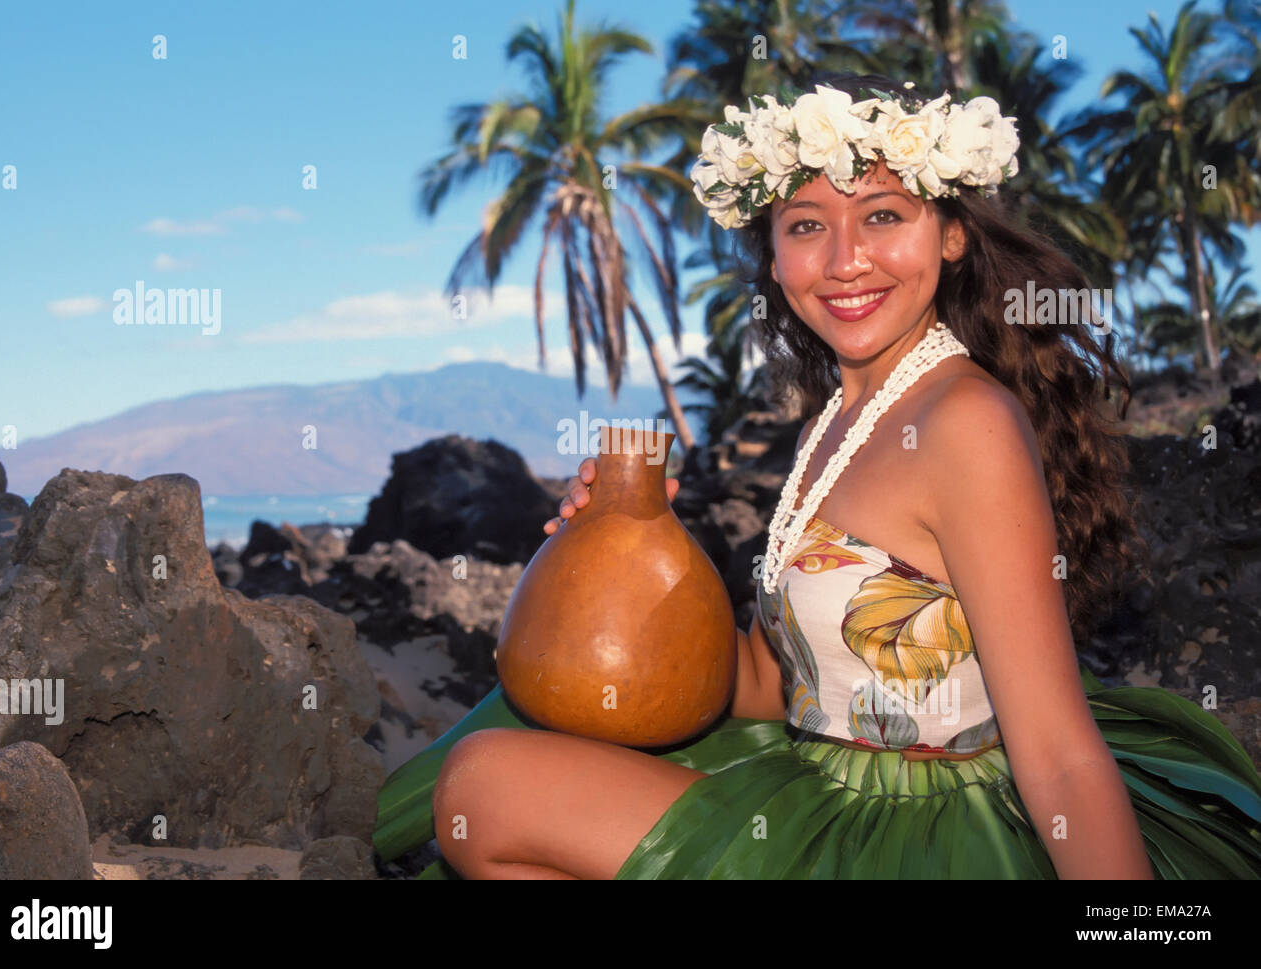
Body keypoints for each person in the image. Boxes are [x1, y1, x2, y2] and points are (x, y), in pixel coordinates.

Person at [373, 72, 1261, 879]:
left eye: (882, 214)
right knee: (486, 781)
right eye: (807, 225)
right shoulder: (836, 420)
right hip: (816, 781)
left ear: (950, 234)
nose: (844, 259)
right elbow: (767, 682)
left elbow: (1061, 753)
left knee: (488, 783)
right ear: (773, 256)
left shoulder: (966, 423)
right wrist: (622, 558)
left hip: (918, 832)